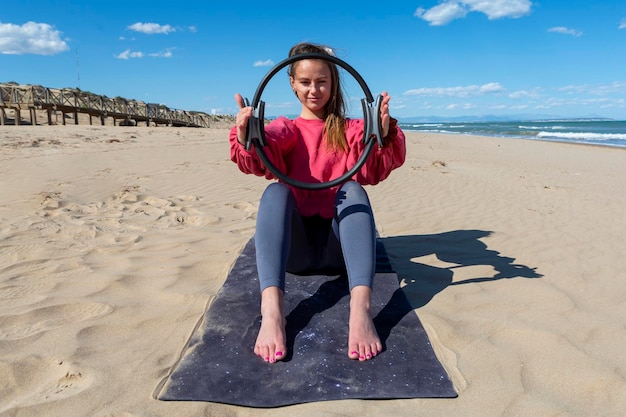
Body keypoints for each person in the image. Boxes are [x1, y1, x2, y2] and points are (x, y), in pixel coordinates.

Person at [230, 42, 406, 364]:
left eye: (322, 81)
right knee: (275, 192)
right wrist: (248, 137)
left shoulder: (350, 129)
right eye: (306, 82)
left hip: (339, 251)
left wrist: (382, 134)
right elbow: (261, 156)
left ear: (333, 82)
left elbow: (375, 169)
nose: (314, 90)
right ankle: (271, 312)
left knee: (353, 190)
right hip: (294, 253)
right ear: (292, 84)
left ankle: (361, 309)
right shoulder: (286, 128)